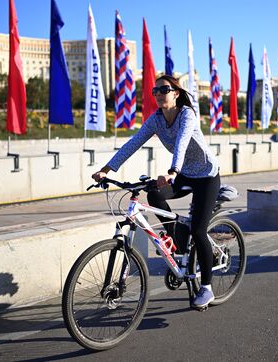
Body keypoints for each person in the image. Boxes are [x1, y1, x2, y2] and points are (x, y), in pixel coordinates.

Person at [92, 75, 220, 308]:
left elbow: (181, 142)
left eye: (165, 89)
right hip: (184, 175)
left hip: (206, 176)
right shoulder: (156, 119)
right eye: (155, 90)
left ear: (176, 93)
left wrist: (172, 171)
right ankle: (177, 241)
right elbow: (134, 142)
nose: (159, 93)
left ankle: (207, 288)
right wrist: (107, 169)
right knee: (155, 195)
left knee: (199, 229)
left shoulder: (187, 115)